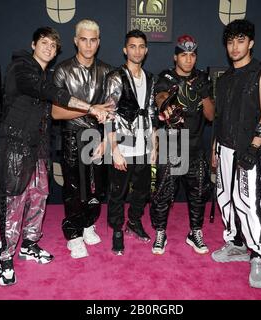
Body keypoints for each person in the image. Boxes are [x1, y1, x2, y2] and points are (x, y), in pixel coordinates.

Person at [0, 27, 111, 286]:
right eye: (43, 42)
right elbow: (50, 94)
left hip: (39, 148)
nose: (48, 48)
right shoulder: (22, 68)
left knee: (39, 197)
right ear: (33, 44)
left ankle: (30, 245)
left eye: (53, 45)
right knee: (13, 202)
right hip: (15, 145)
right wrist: (90, 107)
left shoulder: (46, 74)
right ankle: (5, 256)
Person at [211, 19, 261, 289]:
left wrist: (253, 148)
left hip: (247, 150)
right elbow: (219, 118)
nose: (235, 47)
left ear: (250, 43)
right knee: (225, 198)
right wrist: (214, 149)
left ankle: (257, 254)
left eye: (240, 41)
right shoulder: (224, 79)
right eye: (230, 41)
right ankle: (235, 244)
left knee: (248, 203)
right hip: (224, 148)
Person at [52, 19, 113, 259]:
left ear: (98, 42)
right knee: (74, 189)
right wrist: (90, 109)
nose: (88, 45)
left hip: (97, 138)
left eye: (93, 40)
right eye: (84, 39)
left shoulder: (107, 71)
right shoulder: (62, 70)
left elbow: (110, 110)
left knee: (97, 187)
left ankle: (88, 225)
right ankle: (74, 235)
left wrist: (107, 139)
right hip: (72, 137)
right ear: (76, 40)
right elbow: (56, 112)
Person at [150, 34, 214, 255]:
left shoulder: (203, 79)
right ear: (175, 57)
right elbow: (160, 96)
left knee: (197, 193)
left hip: (194, 146)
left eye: (192, 55)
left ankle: (194, 232)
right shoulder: (166, 77)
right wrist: (165, 102)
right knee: (163, 193)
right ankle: (160, 232)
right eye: (184, 55)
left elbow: (211, 115)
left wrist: (204, 93)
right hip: (170, 145)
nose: (188, 59)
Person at [104, 29, 157, 255]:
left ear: (146, 50)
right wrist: (114, 150)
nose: (137, 50)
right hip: (122, 146)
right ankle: (117, 229)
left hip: (144, 145)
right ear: (125, 50)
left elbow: (153, 113)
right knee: (118, 192)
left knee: (142, 191)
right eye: (132, 46)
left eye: (140, 46)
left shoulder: (151, 78)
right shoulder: (116, 77)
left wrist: (154, 146)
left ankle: (134, 222)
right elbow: (108, 114)